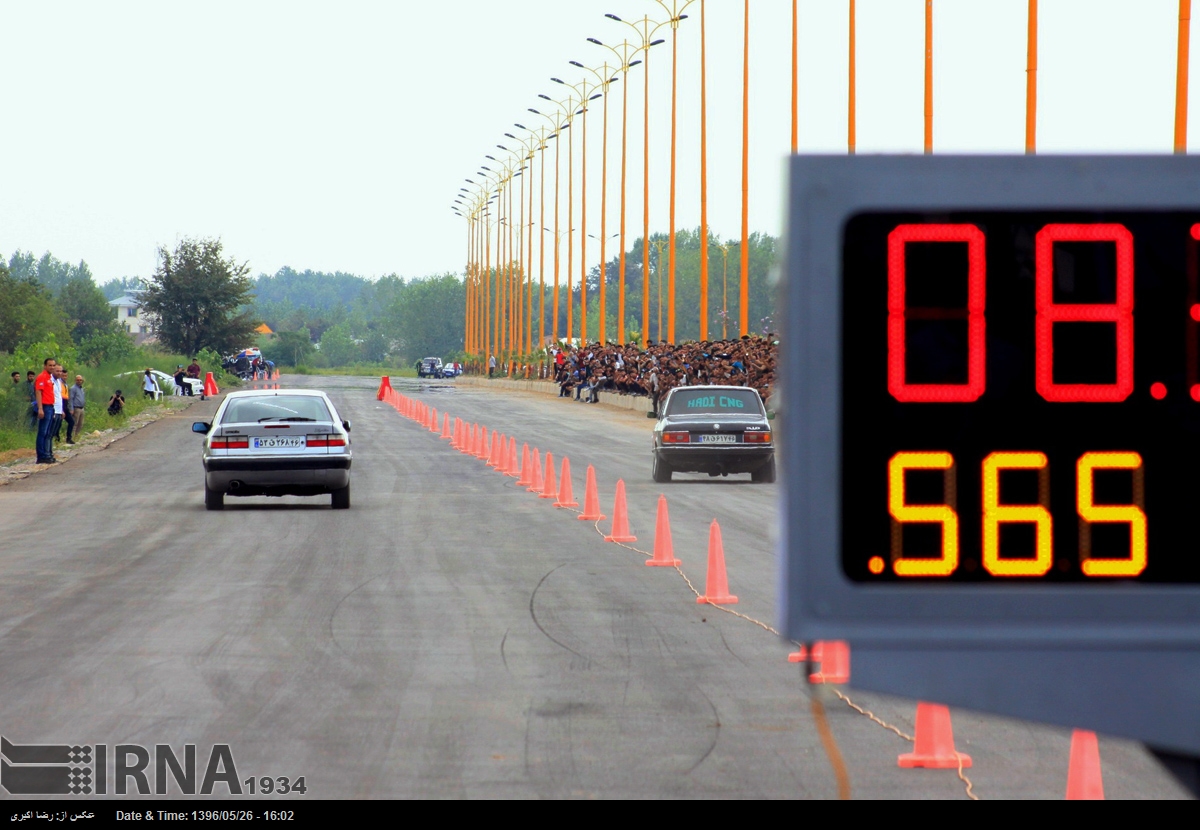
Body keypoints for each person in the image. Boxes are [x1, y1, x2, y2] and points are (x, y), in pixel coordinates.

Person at [33, 357, 57, 464]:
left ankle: (46, 454)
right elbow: (38, 392)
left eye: (53, 365)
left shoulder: (49, 377)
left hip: (50, 406)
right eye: (50, 365)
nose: (52, 367)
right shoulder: (42, 377)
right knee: (42, 432)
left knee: (47, 432)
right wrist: (40, 408)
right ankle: (41, 455)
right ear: (45, 366)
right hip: (45, 406)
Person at [69, 375, 86, 442]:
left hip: (82, 408)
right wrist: (71, 408)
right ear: (75, 380)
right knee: (74, 423)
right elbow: (71, 399)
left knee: (80, 423)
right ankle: (72, 437)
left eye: (80, 380)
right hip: (76, 408)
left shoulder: (81, 388)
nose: (79, 381)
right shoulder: (73, 388)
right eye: (77, 380)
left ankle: (77, 437)